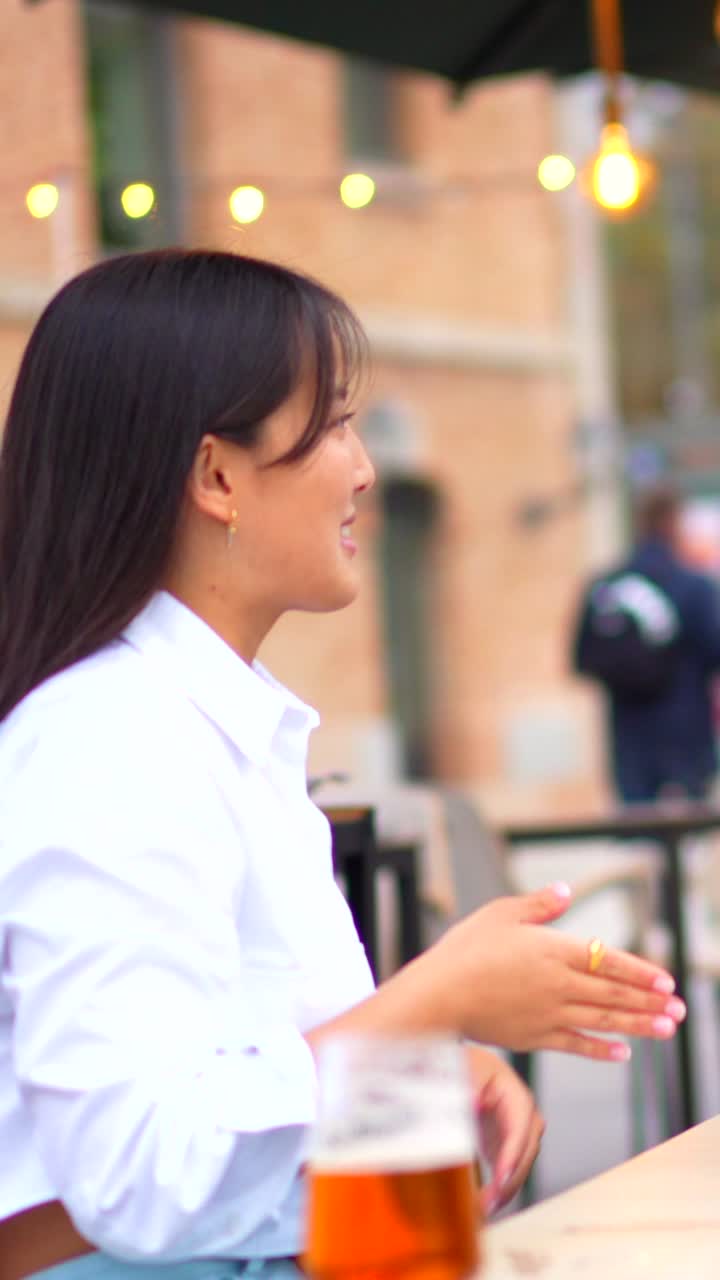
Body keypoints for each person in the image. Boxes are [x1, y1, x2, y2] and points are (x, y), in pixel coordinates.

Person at [0, 251, 684, 1280]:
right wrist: (433, 1002)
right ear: (217, 477)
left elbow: (215, 1087)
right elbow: (134, 1169)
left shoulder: (205, 724)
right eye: (332, 427)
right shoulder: (113, 733)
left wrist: (408, 1060)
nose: (363, 468)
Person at [573, 483, 720, 804]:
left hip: (628, 740)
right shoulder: (693, 587)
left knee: (638, 832)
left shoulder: (605, 586)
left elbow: (582, 659)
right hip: (686, 737)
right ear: (674, 524)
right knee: (685, 835)